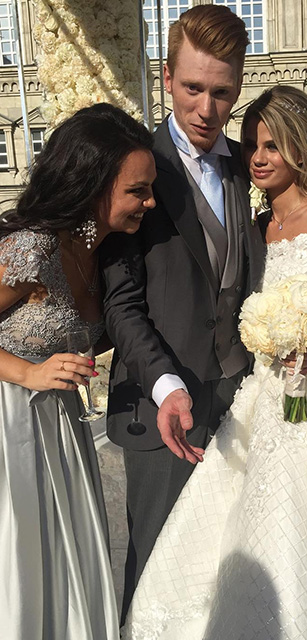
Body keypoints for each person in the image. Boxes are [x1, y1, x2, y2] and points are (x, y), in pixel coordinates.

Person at [121, 86, 307, 640]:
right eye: (251, 146)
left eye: (273, 146)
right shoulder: (257, 225)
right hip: (268, 388)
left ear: (300, 149)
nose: (258, 158)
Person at [100, 4, 264, 623]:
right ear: (166, 77)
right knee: (157, 573)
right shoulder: (135, 166)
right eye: (193, 88)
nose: (205, 109)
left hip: (239, 399)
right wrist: (166, 383)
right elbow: (121, 302)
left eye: (222, 93)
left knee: (226, 566)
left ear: (238, 89)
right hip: (160, 406)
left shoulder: (246, 165)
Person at [0, 102, 156, 640]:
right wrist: (27, 373)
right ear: (95, 186)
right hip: (11, 427)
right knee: (23, 557)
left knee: (68, 557)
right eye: (138, 190)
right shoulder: (31, 249)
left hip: (63, 429)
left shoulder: (105, 254)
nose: (150, 202)